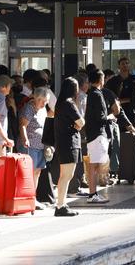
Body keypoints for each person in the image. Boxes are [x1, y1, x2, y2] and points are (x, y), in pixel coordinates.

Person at [53, 77, 84, 217]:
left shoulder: (60, 103)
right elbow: (81, 122)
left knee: (66, 175)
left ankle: (62, 203)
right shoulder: (69, 103)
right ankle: (60, 205)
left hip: (62, 142)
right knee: (66, 175)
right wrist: (75, 125)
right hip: (70, 142)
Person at [18, 86, 48, 210]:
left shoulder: (42, 109)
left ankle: (33, 198)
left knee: (37, 171)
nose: (44, 104)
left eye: (46, 101)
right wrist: (25, 139)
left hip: (40, 145)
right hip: (30, 146)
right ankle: (27, 199)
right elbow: (22, 125)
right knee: (28, 173)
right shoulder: (29, 108)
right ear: (37, 98)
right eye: (43, 101)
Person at [84, 70, 109, 204]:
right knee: (94, 166)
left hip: (92, 133)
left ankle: (93, 193)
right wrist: (109, 118)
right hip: (97, 134)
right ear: (100, 80)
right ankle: (92, 194)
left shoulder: (91, 94)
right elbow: (100, 117)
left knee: (94, 165)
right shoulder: (97, 95)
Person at [106, 57, 135, 129]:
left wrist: (124, 100)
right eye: (123, 64)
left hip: (133, 113)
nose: (125, 65)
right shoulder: (113, 81)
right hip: (119, 113)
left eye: (127, 63)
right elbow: (108, 95)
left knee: (134, 136)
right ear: (119, 66)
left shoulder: (134, 79)